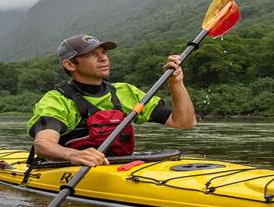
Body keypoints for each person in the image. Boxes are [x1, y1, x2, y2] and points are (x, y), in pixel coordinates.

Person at [27, 34, 196, 167]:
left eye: (103, 53)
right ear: (70, 64)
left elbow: (183, 122)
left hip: (117, 166)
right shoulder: (56, 100)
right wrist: (74, 155)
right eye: (92, 55)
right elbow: (43, 144)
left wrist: (176, 83)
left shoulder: (125, 92)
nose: (103, 58)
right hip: (68, 169)